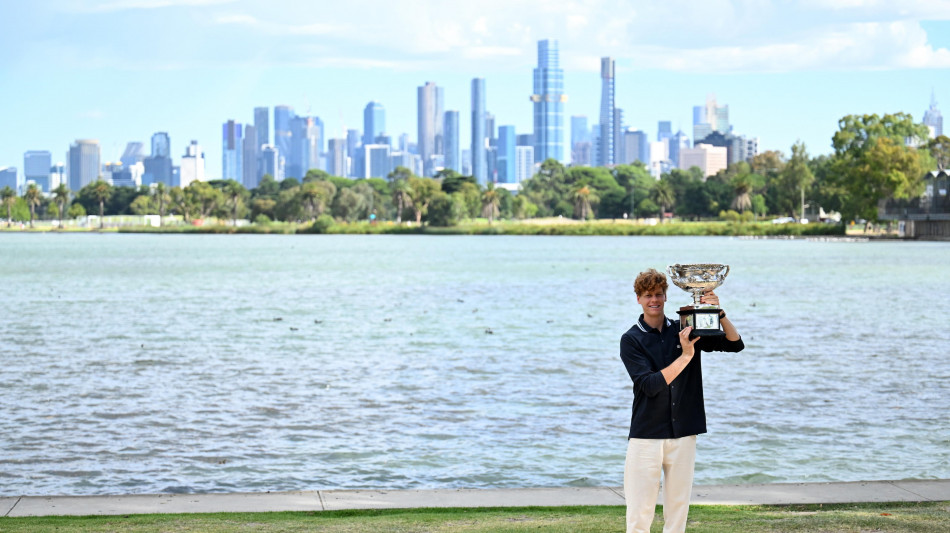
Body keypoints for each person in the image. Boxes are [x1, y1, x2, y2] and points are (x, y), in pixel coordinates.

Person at [619, 268, 744, 533]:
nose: (654, 300)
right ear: (638, 299)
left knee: (678, 510)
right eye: (648, 295)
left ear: (666, 297)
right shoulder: (631, 339)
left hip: (684, 431)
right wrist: (686, 355)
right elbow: (650, 385)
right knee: (640, 512)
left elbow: (734, 344)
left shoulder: (685, 328)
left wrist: (720, 314)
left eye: (659, 295)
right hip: (647, 435)